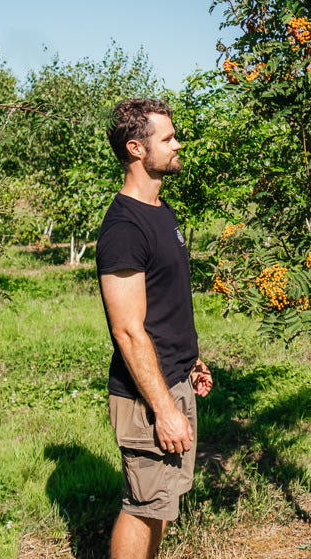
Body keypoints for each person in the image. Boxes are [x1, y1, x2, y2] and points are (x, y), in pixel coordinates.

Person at [96, 98, 213, 559]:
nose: (177, 143)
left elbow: (165, 304)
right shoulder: (124, 227)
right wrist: (163, 407)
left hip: (173, 377)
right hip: (149, 394)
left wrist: (190, 360)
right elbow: (127, 331)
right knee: (142, 506)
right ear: (136, 148)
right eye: (167, 138)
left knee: (160, 504)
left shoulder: (161, 210)